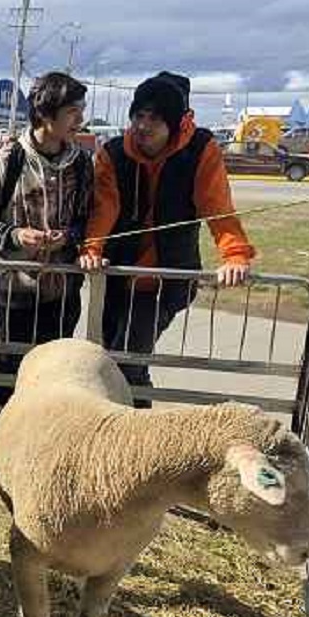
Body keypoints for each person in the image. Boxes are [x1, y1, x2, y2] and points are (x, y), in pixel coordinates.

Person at [78, 71, 255, 406]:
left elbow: (218, 208)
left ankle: (139, 437)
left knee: (127, 361)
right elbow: (104, 208)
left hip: (166, 280)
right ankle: (130, 431)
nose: (143, 126)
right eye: (138, 116)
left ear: (174, 123)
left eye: (155, 119)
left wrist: (235, 256)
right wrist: (92, 248)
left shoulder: (201, 150)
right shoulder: (114, 153)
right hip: (117, 276)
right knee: (114, 359)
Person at [0, 72, 94, 467]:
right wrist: (18, 234)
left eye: (80, 111)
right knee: (9, 367)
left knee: (56, 372)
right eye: (73, 111)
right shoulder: (9, 158)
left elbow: (87, 221)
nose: (79, 119)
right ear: (45, 113)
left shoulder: (82, 164)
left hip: (62, 289)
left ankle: (44, 445)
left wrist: (67, 238)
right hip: (12, 290)